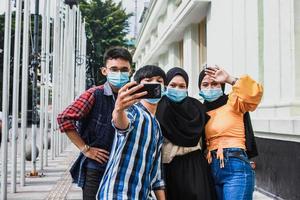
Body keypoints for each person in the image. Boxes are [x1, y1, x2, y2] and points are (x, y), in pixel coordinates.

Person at [57, 46, 133, 200]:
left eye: (124, 69)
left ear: (130, 71)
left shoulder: (135, 97)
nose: (119, 74)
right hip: (97, 168)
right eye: (114, 69)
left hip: (125, 169)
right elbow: (64, 118)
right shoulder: (94, 94)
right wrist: (86, 149)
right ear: (104, 71)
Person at [97, 65, 166, 200]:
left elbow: (156, 176)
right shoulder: (133, 111)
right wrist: (118, 110)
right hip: (116, 194)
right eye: (148, 80)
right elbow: (121, 125)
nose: (155, 84)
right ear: (138, 86)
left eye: (159, 81)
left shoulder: (156, 125)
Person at [198, 66, 263, 200]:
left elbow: (254, 94)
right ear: (199, 88)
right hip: (210, 168)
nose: (210, 87)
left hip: (235, 166)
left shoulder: (233, 101)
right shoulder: (199, 111)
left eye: (215, 83)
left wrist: (229, 79)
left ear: (221, 86)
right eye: (205, 84)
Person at [156, 67, 216, 200]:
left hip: (195, 165)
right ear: (166, 86)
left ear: (187, 87)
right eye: (173, 85)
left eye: (182, 86)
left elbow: (206, 135)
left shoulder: (197, 108)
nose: (177, 89)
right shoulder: (158, 108)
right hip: (170, 167)